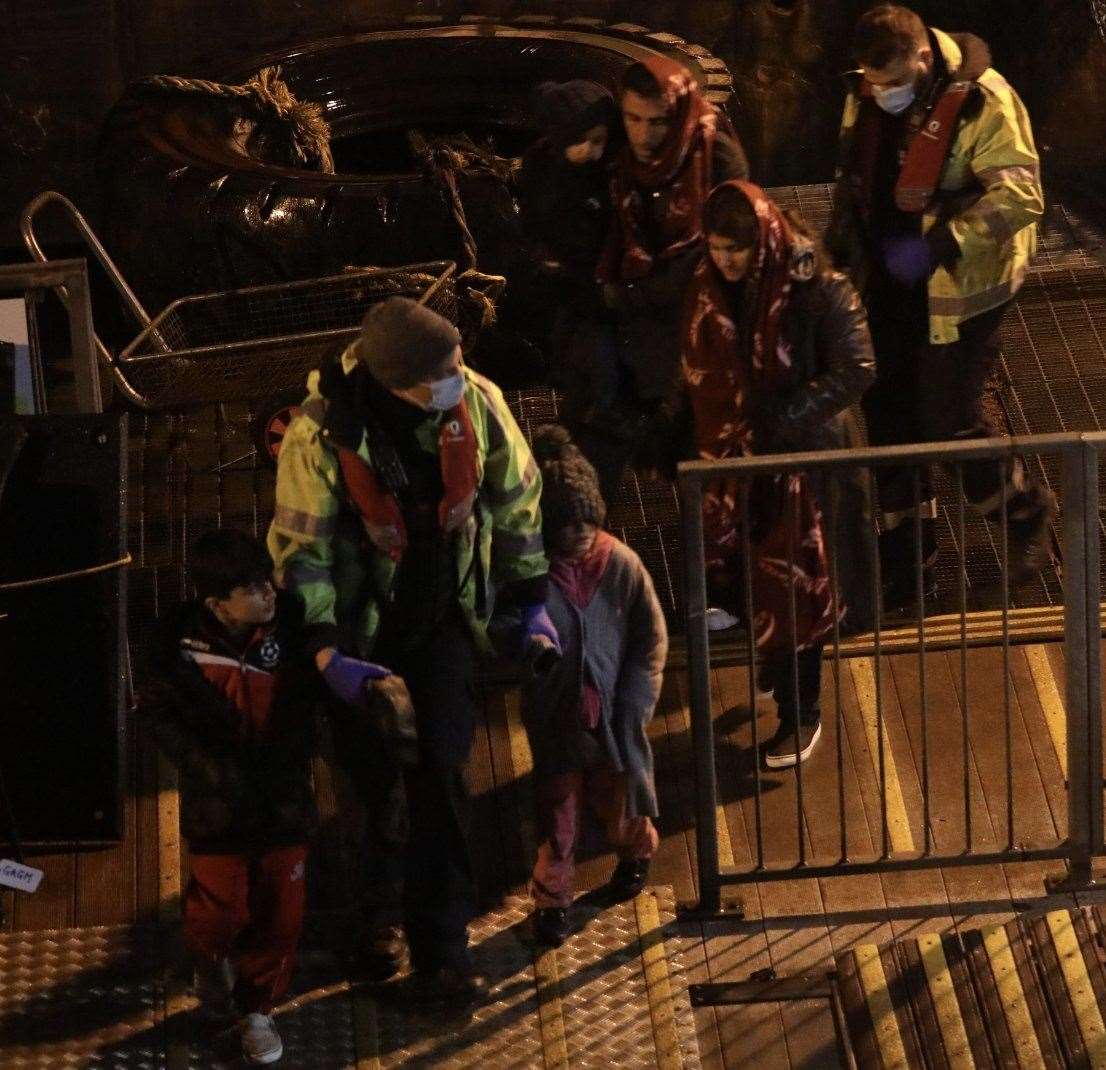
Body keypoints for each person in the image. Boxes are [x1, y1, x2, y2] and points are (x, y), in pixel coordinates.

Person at [267, 296, 554, 1004]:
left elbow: (516, 498)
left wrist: (528, 597)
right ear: (398, 383)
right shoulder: (319, 439)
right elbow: (303, 552)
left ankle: (442, 944)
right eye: (444, 375)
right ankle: (372, 923)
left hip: (442, 612)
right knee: (366, 784)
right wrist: (326, 647)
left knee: (444, 770)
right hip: (365, 629)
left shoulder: (477, 406)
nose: (461, 380)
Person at [826, 3, 1053, 608]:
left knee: (949, 418)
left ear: (924, 59)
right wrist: (839, 252)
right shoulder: (865, 90)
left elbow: (1022, 195)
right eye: (875, 84)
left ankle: (1025, 517)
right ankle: (908, 555)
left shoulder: (984, 102)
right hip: (887, 277)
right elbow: (855, 178)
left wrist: (941, 243)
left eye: (895, 82)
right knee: (889, 414)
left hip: (959, 283)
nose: (885, 95)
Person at [656, 180, 875, 768]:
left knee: (797, 588)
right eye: (717, 248)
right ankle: (779, 677)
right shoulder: (707, 287)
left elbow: (855, 368)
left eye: (737, 249)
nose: (725, 261)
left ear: (765, 239)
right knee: (757, 580)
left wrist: (782, 419)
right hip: (736, 463)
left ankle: (801, 714)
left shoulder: (816, 287)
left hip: (799, 466)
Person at [140, 529, 321, 1066]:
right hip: (219, 806)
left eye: (266, 581)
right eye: (251, 588)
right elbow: (158, 715)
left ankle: (258, 1011)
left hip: (283, 800)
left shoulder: (290, 629)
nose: (267, 593)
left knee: (281, 915)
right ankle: (209, 965)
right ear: (217, 603)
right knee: (220, 910)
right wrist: (205, 768)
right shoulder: (177, 647)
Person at [503, 425, 666, 947]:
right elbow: (504, 628)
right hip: (557, 718)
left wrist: (636, 702)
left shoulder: (621, 565)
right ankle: (553, 902)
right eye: (566, 522)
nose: (579, 532)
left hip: (615, 718)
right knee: (559, 814)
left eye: (587, 519)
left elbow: (650, 639)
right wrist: (528, 653)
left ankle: (636, 852)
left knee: (617, 802)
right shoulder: (530, 575)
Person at [585, 56, 749, 505]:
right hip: (643, 332)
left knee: (702, 465)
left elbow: (711, 255)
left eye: (656, 122)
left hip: (699, 328)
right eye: (632, 119)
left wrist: (629, 295)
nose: (643, 134)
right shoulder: (623, 157)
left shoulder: (714, 155)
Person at [517, 80, 620, 427]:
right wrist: (542, 257)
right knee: (570, 359)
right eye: (582, 141)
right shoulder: (540, 165)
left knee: (600, 366)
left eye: (599, 140)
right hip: (564, 283)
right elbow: (531, 220)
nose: (593, 151)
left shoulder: (613, 167)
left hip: (604, 287)